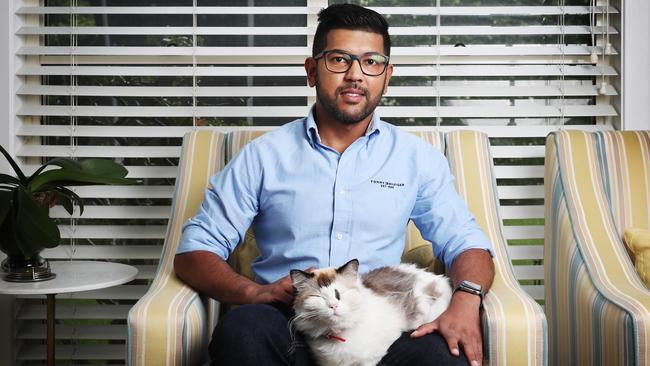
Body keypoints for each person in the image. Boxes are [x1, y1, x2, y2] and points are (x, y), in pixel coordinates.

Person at [174, 4, 495, 366]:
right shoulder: (262, 157)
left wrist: (467, 300)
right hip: (290, 321)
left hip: (380, 324)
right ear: (312, 71)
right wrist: (252, 291)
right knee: (243, 330)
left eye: (372, 62)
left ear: (386, 76)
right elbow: (193, 253)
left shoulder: (417, 159)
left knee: (442, 357)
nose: (356, 75)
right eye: (339, 60)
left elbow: (468, 245)